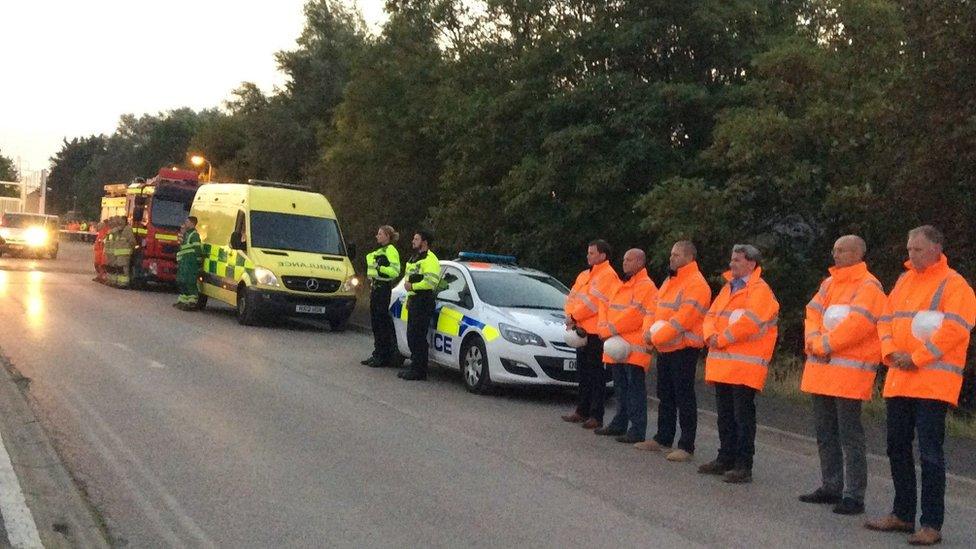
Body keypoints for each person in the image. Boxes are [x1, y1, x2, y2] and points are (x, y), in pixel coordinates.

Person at [865, 225, 976, 546]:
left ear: (937, 248)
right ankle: (902, 514)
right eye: (909, 249)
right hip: (900, 379)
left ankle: (931, 523)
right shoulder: (904, 281)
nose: (911, 255)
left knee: (930, 453)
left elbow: (955, 329)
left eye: (918, 249)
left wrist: (917, 357)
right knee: (896, 446)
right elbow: (885, 319)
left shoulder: (956, 285)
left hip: (933, 383)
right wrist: (889, 352)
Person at [798, 235, 886, 515]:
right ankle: (831, 486)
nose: (835, 255)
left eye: (841, 250)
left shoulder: (869, 286)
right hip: (821, 371)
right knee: (825, 433)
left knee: (850, 437)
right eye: (834, 250)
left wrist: (824, 344)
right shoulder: (829, 283)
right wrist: (813, 341)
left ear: (858, 253)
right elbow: (812, 313)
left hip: (849, 376)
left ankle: (853, 495)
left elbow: (857, 325)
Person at [698, 244, 779, 484]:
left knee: (742, 417)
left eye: (737, 260)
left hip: (745, 367)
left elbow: (750, 323)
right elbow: (712, 315)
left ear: (751, 264)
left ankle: (743, 465)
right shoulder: (728, 288)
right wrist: (709, 335)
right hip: (724, 365)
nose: (731, 263)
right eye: (732, 259)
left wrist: (720, 338)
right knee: (725, 415)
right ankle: (725, 458)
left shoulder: (760, 291)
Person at [636, 240, 711, 462]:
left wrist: (655, 336)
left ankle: (686, 445)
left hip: (684, 348)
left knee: (684, 396)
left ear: (690, 258)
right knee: (665, 394)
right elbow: (654, 308)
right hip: (665, 346)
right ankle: (663, 438)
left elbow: (683, 320)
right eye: (671, 255)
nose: (671, 258)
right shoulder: (670, 280)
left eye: (676, 255)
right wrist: (647, 331)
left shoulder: (697, 284)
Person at [594, 248, 657, 443]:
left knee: (634, 390)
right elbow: (606, 307)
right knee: (621, 388)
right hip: (617, 346)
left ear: (640, 262)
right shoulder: (622, 285)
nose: (625, 262)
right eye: (624, 259)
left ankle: (637, 429)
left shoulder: (646, 287)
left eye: (629, 260)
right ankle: (619, 424)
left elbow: (635, 315)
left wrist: (609, 329)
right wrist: (605, 328)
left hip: (633, 349)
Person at [562, 240, 620, 429]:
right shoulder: (584, 275)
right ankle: (582, 410)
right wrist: (570, 316)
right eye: (588, 253)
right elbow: (572, 297)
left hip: (596, 333)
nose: (588, 256)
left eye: (592, 253)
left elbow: (593, 303)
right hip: (581, 331)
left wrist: (573, 315)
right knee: (583, 373)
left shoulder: (608, 275)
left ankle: (596, 415)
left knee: (596, 375)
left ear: (603, 255)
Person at [399, 230, 440, 381]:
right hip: (414, 300)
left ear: (425, 242)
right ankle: (414, 366)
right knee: (412, 335)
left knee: (418, 336)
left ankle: (420, 370)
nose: (413, 241)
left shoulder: (430, 259)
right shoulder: (415, 257)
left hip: (423, 300)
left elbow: (431, 283)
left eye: (416, 239)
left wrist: (413, 287)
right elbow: (409, 277)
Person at [362, 225, 402, 368]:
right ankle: (377, 353)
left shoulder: (391, 251)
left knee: (381, 321)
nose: (377, 236)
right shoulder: (380, 251)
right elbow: (370, 261)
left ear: (387, 236)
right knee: (375, 322)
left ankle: (383, 355)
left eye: (380, 234)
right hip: (375, 287)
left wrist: (381, 268)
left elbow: (395, 271)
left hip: (384, 288)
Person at [174, 216, 204, 310]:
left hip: (191, 263)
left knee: (190, 282)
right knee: (182, 281)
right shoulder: (186, 234)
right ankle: (183, 301)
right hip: (185, 262)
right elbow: (182, 249)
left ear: (192, 223)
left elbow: (197, 250)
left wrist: (198, 263)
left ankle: (192, 302)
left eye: (187, 222)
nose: (185, 223)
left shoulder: (194, 235)